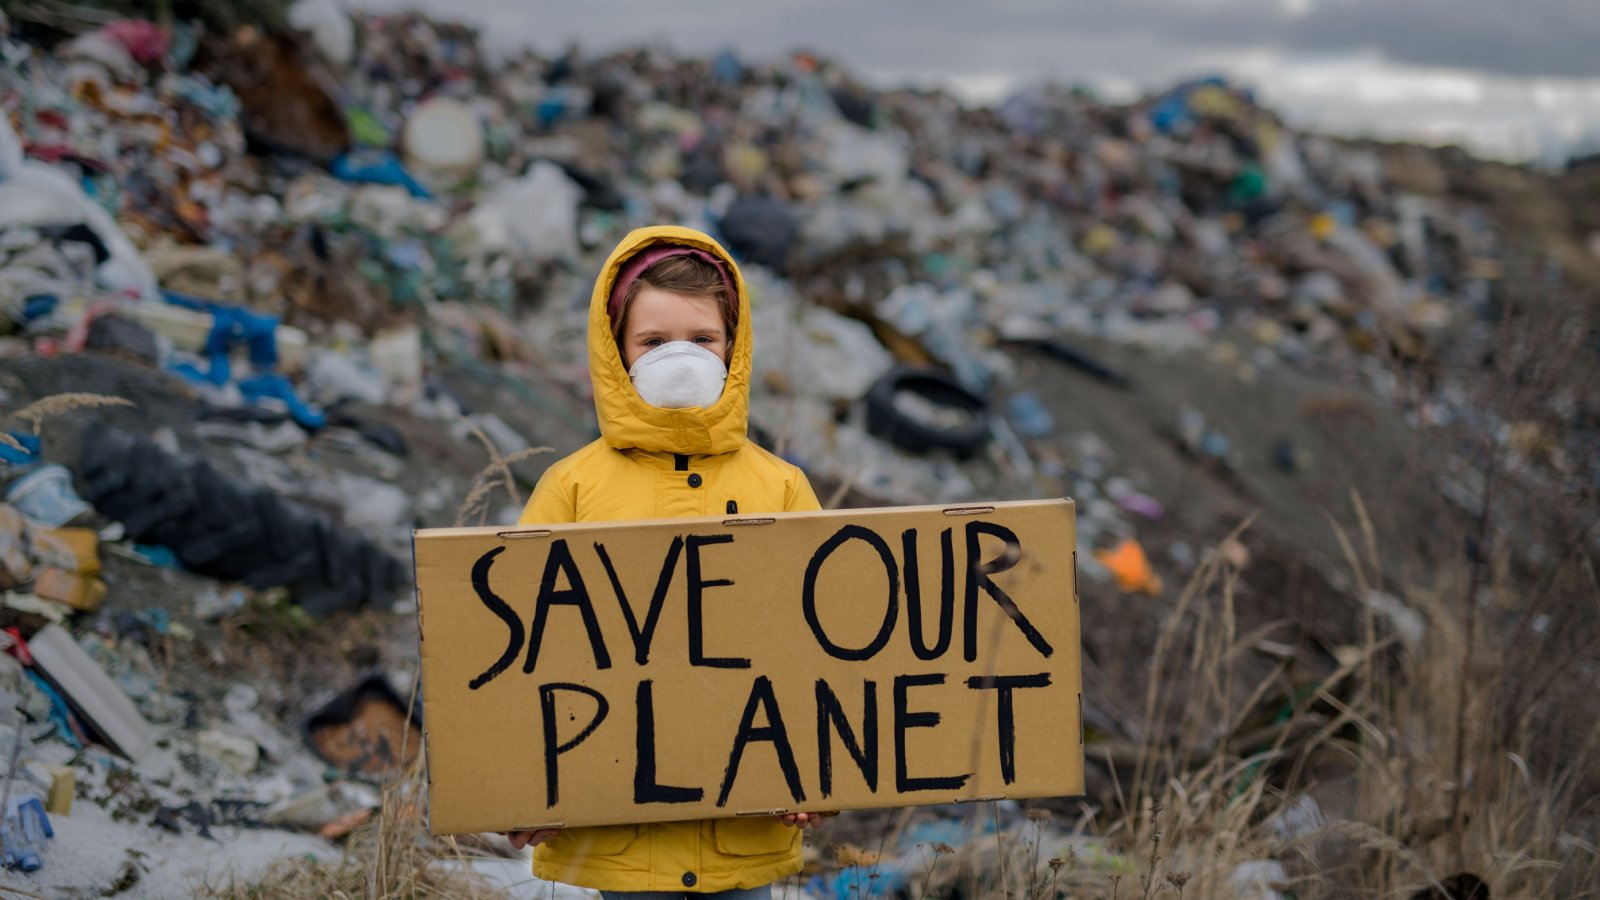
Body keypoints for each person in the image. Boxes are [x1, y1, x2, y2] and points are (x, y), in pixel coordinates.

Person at [506, 225, 826, 898]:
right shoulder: (570, 488)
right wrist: (528, 784)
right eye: (653, 342)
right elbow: (524, 652)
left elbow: (824, 653)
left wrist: (818, 773)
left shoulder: (784, 487)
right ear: (615, 352)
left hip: (745, 828)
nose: (679, 358)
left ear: (733, 349)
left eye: (702, 339)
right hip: (623, 836)